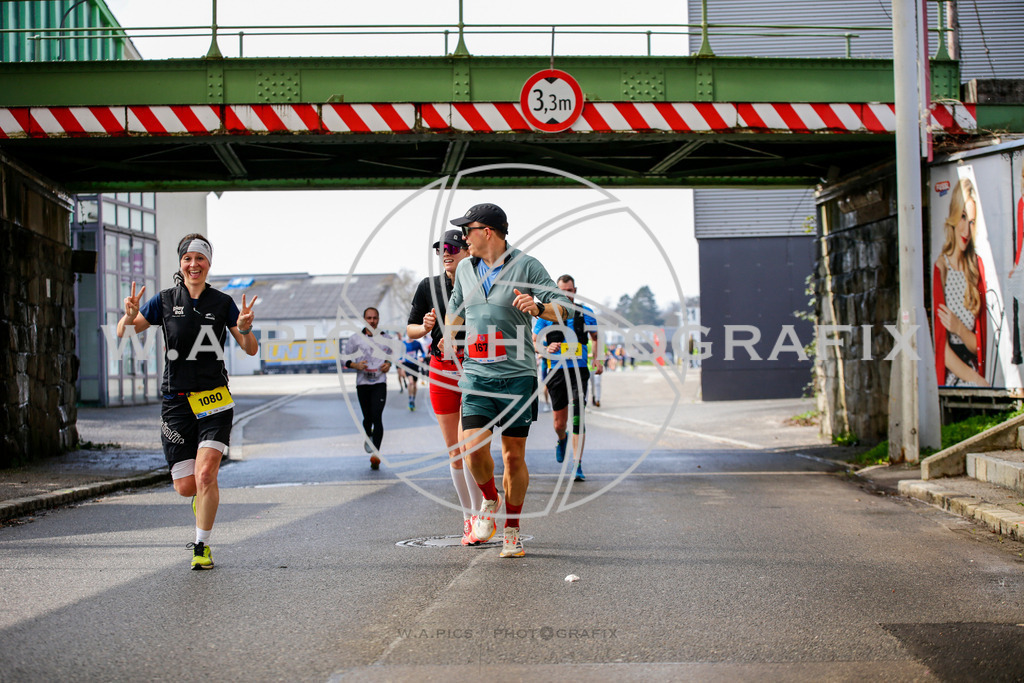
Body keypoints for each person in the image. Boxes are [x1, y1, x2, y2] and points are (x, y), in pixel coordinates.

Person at [117, 233, 258, 570]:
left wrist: (244, 329)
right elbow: (124, 334)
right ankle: (199, 501)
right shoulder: (165, 300)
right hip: (177, 401)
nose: (194, 265)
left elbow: (250, 349)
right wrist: (129, 315)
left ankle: (201, 546)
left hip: (213, 399)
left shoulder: (222, 302)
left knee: (206, 474)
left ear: (208, 264)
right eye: (188, 259)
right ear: (181, 263)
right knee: (186, 486)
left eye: (200, 259)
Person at [444, 203, 572, 558]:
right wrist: (448, 334)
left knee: (513, 457)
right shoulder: (465, 269)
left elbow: (563, 306)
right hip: (477, 374)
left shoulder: (527, 266)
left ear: (486, 232)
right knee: (471, 448)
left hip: (517, 376)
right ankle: (490, 499)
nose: (463, 239)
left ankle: (512, 531)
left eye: (467, 231)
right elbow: (456, 309)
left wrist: (539, 308)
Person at [406, 229, 482, 545]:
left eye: (452, 247)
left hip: (474, 367)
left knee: (471, 446)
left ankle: (483, 512)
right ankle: (469, 517)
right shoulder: (429, 286)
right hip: (441, 369)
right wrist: (423, 327)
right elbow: (410, 330)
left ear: (467, 251)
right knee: (454, 451)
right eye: (441, 249)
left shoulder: (481, 282)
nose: (446, 253)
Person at [534, 275, 601, 482]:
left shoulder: (585, 313)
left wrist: (597, 360)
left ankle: (577, 464)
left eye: (570, 290)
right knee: (559, 423)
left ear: (575, 291)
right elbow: (535, 342)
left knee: (578, 417)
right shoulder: (547, 314)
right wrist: (545, 349)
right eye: (562, 291)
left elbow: (596, 338)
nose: (566, 294)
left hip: (579, 370)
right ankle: (561, 438)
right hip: (556, 372)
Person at [933, 177, 988, 387]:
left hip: (975, 373)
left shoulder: (975, 268)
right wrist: (978, 381)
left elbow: (979, 345)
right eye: (963, 217)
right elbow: (941, 348)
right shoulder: (941, 267)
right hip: (953, 379)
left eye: (972, 221)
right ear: (954, 216)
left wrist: (959, 329)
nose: (966, 230)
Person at [343, 307, 393, 469]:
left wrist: (388, 364)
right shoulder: (355, 339)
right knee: (368, 418)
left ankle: (376, 454)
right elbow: (344, 359)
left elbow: (392, 355)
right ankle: (368, 434)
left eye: (375, 318)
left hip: (380, 382)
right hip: (363, 383)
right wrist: (355, 365)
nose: (372, 321)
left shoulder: (386, 338)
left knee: (377, 416)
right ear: (364, 320)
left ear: (378, 319)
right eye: (369, 318)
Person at [400, 333, 426, 411]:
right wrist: (400, 360)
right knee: (411, 382)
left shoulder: (417, 343)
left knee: (414, 384)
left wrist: (422, 357)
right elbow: (401, 354)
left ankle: (413, 399)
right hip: (407, 364)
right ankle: (410, 399)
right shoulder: (403, 343)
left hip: (415, 365)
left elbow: (423, 353)